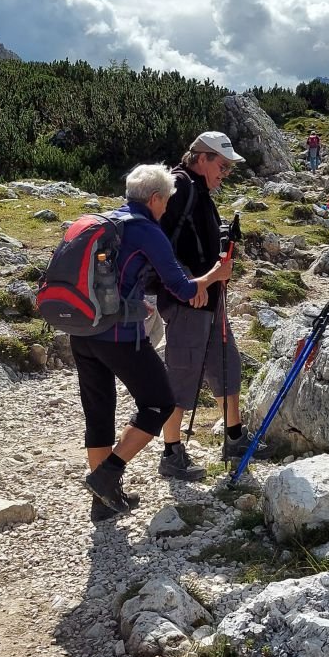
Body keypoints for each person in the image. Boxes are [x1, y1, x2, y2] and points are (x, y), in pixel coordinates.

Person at [77, 164, 232, 522]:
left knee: (99, 413)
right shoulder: (147, 229)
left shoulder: (105, 222)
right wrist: (216, 274)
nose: (166, 208)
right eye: (166, 201)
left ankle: (103, 503)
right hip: (119, 336)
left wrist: (136, 301)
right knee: (160, 403)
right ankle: (107, 475)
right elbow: (183, 288)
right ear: (155, 198)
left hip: (83, 332)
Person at [158, 132, 249, 481]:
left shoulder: (200, 191)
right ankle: (171, 453)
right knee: (182, 374)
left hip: (210, 298)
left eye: (229, 168)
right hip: (189, 299)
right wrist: (190, 282)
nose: (225, 173)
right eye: (222, 166)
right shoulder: (179, 186)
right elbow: (161, 244)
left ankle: (235, 438)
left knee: (227, 363)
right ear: (201, 158)